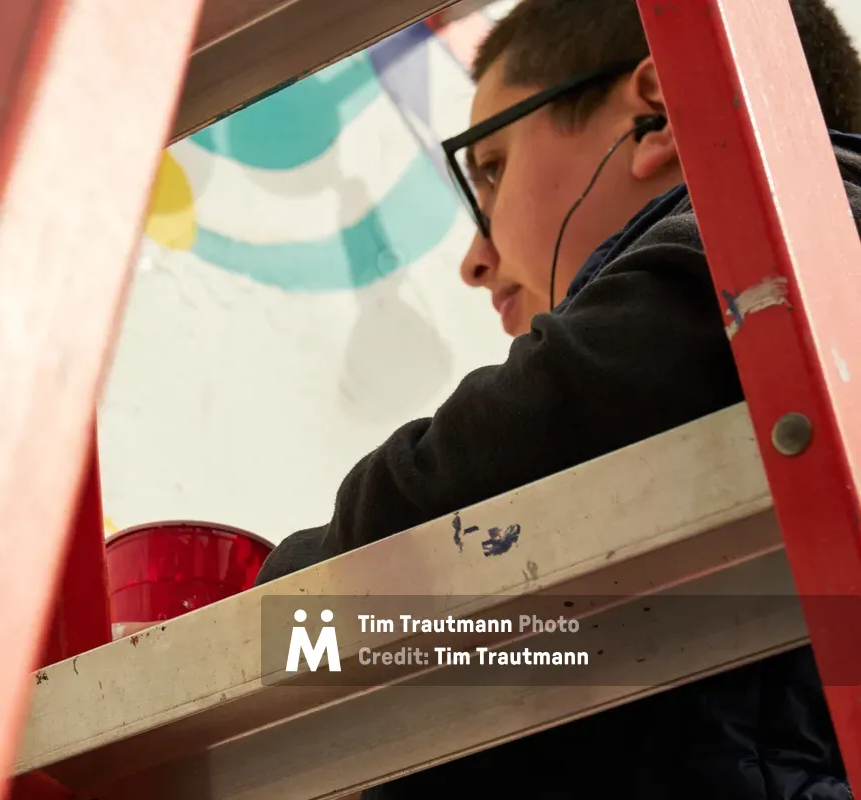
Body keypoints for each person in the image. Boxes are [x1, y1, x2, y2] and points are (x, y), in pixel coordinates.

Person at [253, 0, 861, 797]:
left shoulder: (781, 243)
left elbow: (433, 499)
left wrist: (265, 601)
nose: (476, 259)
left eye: (494, 165)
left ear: (660, 114)